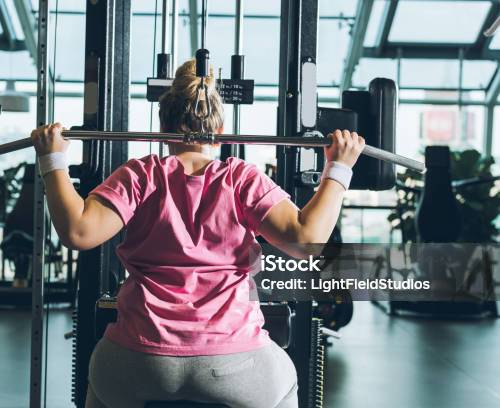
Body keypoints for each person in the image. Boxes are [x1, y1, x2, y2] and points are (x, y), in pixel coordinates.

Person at [30, 59, 365, 408]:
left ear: (162, 127)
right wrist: (338, 168)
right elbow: (305, 240)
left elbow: (77, 232)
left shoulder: (142, 174)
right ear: (219, 131)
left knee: (100, 389)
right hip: (233, 363)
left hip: (137, 358)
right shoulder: (241, 178)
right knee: (287, 386)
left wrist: (52, 161)